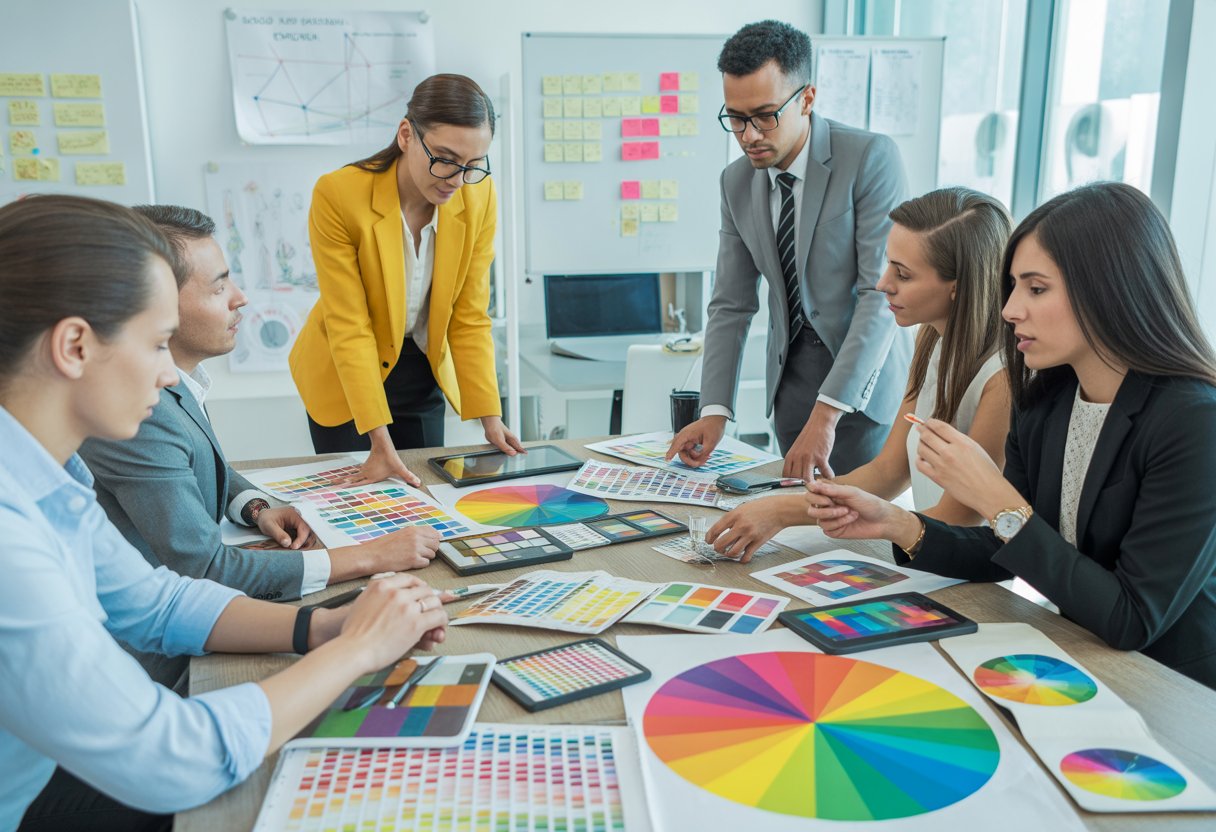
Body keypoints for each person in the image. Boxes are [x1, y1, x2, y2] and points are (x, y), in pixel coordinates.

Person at [0, 195, 449, 831]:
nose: (167, 375)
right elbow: (171, 758)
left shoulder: (48, 474)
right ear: (75, 346)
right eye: (157, 344)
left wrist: (322, 628)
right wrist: (356, 650)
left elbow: (155, 601)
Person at [806, 182, 1216, 689]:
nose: (1010, 309)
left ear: (1109, 288)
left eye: (1036, 289)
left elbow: (1130, 618)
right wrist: (898, 523)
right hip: (1079, 660)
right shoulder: (1047, 398)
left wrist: (993, 496)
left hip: (1172, 688)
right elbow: (1001, 552)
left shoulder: (1194, 422)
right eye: (1014, 286)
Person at [78, 205, 441, 685]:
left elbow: (199, 465)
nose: (241, 299)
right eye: (219, 286)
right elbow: (206, 567)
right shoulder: (137, 410)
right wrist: (370, 556)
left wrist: (253, 507)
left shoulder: (176, 383)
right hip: (155, 664)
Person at [707, 187, 1012, 561]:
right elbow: (887, 472)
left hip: (967, 574)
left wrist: (785, 511)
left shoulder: (1002, 378)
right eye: (888, 265)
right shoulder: (931, 337)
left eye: (903, 273)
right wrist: (778, 506)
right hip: (926, 561)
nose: (883, 283)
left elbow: (958, 518)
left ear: (958, 286)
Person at [666, 20, 911, 481]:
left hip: (862, 389)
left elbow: (880, 294)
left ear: (807, 99)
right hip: (790, 391)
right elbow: (731, 304)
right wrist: (715, 409)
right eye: (735, 119)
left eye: (764, 115)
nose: (748, 135)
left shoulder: (870, 158)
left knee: (856, 533)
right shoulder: (736, 182)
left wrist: (828, 413)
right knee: (794, 536)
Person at [290, 73, 523, 486]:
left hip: (421, 366)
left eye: (472, 165)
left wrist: (491, 417)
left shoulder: (478, 195)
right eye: (446, 159)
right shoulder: (339, 194)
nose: (456, 179)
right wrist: (378, 441)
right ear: (405, 135)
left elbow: (469, 316)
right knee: (362, 510)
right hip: (346, 376)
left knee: (426, 496)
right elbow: (349, 324)